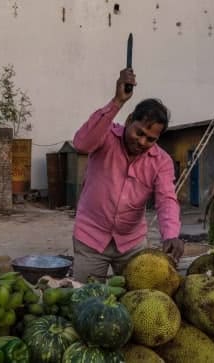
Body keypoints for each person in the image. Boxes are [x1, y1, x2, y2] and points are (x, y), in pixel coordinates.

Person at [71, 68, 184, 282]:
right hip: (90, 239)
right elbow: (81, 144)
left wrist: (171, 234)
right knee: (86, 300)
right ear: (130, 119)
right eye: (139, 132)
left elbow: (166, 199)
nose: (142, 142)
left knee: (137, 300)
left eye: (150, 139)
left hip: (131, 244)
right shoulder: (105, 135)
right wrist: (117, 101)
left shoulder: (162, 161)